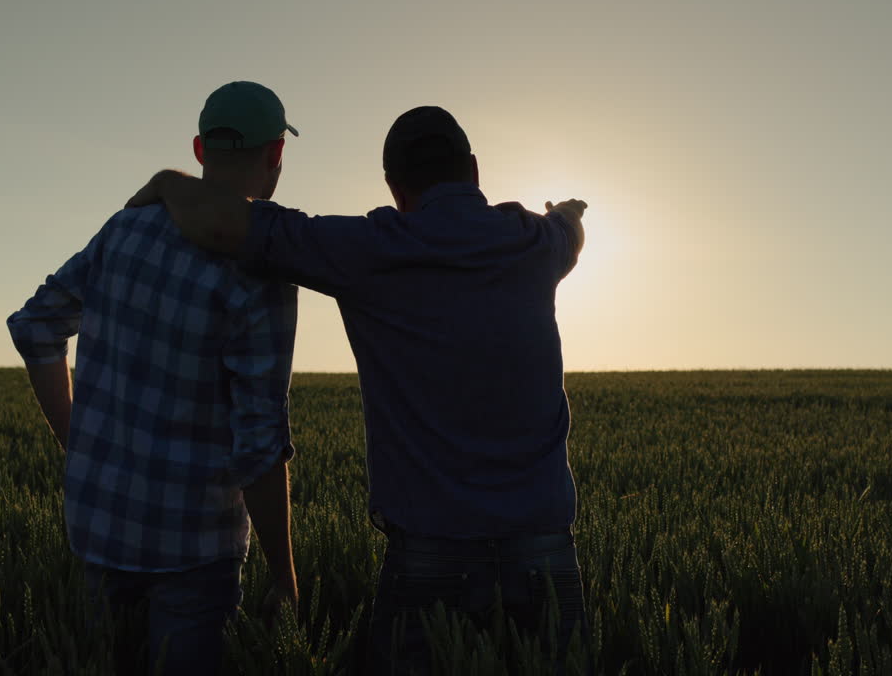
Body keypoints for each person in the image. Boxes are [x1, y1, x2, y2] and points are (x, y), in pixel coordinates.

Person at [130, 105, 589, 674]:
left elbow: (226, 226)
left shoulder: (368, 248)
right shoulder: (536, 243)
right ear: (473, 169)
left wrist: (168, 181)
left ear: (394, 187)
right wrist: (566, 212)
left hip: (429, 559)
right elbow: (570, 232)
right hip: (546, 552)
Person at [7, 81, 301, 676]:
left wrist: (77, 442)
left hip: (98, 529)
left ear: (199, 148)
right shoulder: (261, 267)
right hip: (195, 549)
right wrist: (284, 574)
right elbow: (259, 444)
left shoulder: (127, 228)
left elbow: (36, 326)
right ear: (276, 154)